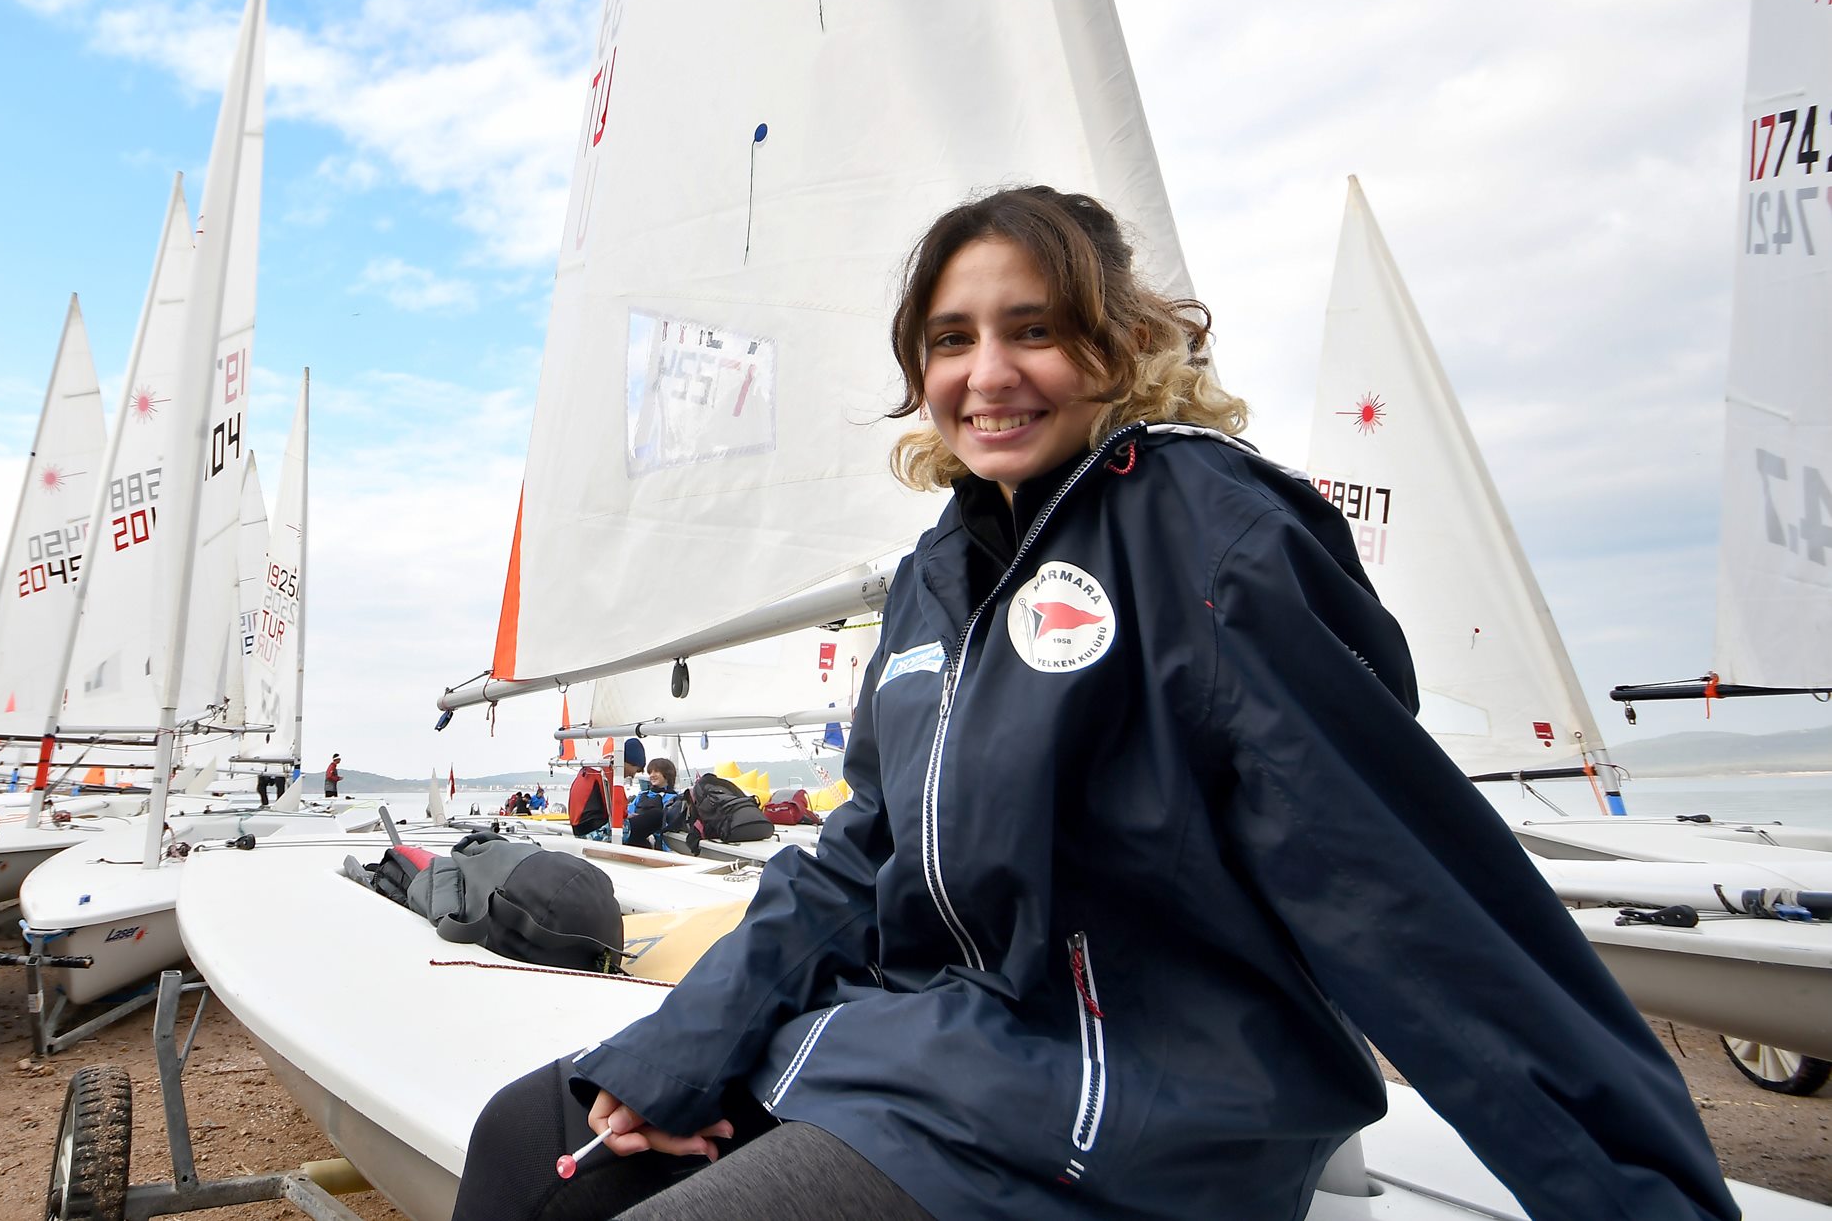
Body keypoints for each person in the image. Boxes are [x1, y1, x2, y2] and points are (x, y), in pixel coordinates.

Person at [452, 186, 1734, 1221]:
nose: (988, 371)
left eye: (1034, 329)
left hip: (1130, 1113)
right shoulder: (936, 577)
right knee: (528, 1137)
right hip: (938, 1068)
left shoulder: (1207, 535)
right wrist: (688, 1044)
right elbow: (859, 857)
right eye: (951, 338)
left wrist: (1634, 1191)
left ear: (1117, 346)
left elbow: (1397, 886)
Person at [624, 757, 682, 851]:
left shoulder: (674, 799)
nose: (652, 775)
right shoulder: (641, 795)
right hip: (637, 840)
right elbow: (627, 813)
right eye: (650, 772)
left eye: (656, 772)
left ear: (667, 774)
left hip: (660, 845)